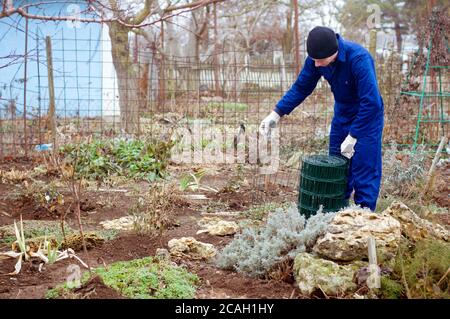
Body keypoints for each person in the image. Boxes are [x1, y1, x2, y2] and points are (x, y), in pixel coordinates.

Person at [259, 26, 384, 211]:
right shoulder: (316, 59)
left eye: (320, 60)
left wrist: (354, 135)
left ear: (334, 53)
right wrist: (276, 113)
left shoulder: (359, 59)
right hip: (342, 116)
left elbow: (371, 102)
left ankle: (363, 222)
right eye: (313, 60)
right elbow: (302, 87)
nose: (316, 65)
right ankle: (336, 217)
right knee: (336, 170)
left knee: (364, 171)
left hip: (367, 118)